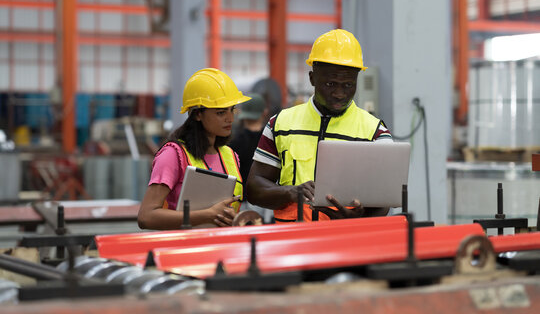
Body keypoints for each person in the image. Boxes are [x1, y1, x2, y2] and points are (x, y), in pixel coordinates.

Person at [247, 29, 393, 222]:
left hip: (346, 243)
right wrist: (289, 192)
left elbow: (384, 201)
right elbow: (254, 189)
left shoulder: (375, 132)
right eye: (331, 84)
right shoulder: (280, 124)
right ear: (312, 78)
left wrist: (358, 216)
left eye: (348, 85)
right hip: (291, 242)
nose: (340, 93)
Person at [138, 68, 251, 230]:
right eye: (221, 112)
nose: (230, 118)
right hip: (184, 249)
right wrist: (207, 215)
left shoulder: (231, 156)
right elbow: (146, 216)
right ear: (198, 114)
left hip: (224, 247)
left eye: (232, 110)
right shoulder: (173, 155)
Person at [229, 93, 273, 222]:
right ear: (264, 112)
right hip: (268, 202)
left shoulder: (232, 143)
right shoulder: (272, 140)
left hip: (239, 203)